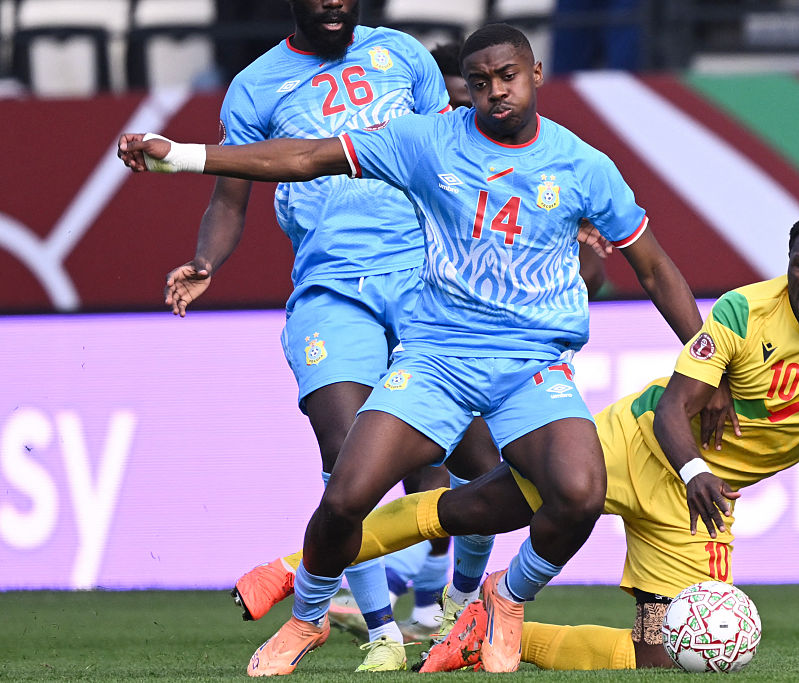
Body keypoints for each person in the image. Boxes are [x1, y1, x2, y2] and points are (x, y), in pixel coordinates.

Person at [118, 23, 717, 675]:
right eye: (481, 82)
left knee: (579, 492)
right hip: (437, 360)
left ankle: (500, 600)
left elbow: (655, 269)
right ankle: (309, 616)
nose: (494, 92)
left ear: (537, 74)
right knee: (345, 490)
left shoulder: (584, 167)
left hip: (530, 366)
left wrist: (707, 361)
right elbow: (304, 158)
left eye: (507, 77)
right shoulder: (427, 142)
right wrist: (179, 155)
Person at [219, 208, 799, 672]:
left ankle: (490, 636)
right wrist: (691, 468)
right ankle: (292, 564)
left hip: (698, 505)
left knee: (664, 656)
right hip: (640, 446)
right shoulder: (746, 309)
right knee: (471, 508)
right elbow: (673, 409)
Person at [162, 0, 458, 671]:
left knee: (434, 458)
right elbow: (229, 198)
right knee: (348, 452)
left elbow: (452, 161)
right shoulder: (256, 86)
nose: (333, 2)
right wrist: (207, 260)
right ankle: (379, 630)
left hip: (422, 277)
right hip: (331, 291)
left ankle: (437, 610)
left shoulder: (405, 56)